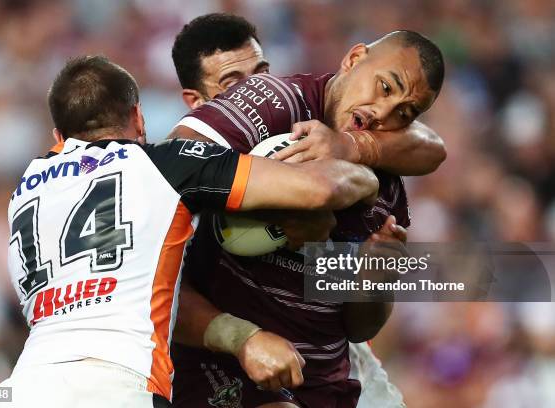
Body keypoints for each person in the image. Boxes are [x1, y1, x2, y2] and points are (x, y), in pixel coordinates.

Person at [0, 55, 380, 408]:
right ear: (139, 118)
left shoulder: (24, 187)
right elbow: (318, 189)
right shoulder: (165, 165)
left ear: (58, 138)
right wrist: (366, 170)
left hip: (24, 387)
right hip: (118, 384)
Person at [169, 17, 444, 408]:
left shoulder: (390, 181)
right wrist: (282, 206)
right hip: (230, 368)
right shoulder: (272, 103)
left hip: (328, 378)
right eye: (384, 87)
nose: (384, 111)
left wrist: (374, 278)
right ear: (353, 59)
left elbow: (357, 324)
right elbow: (169, 165)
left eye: (406, 112)